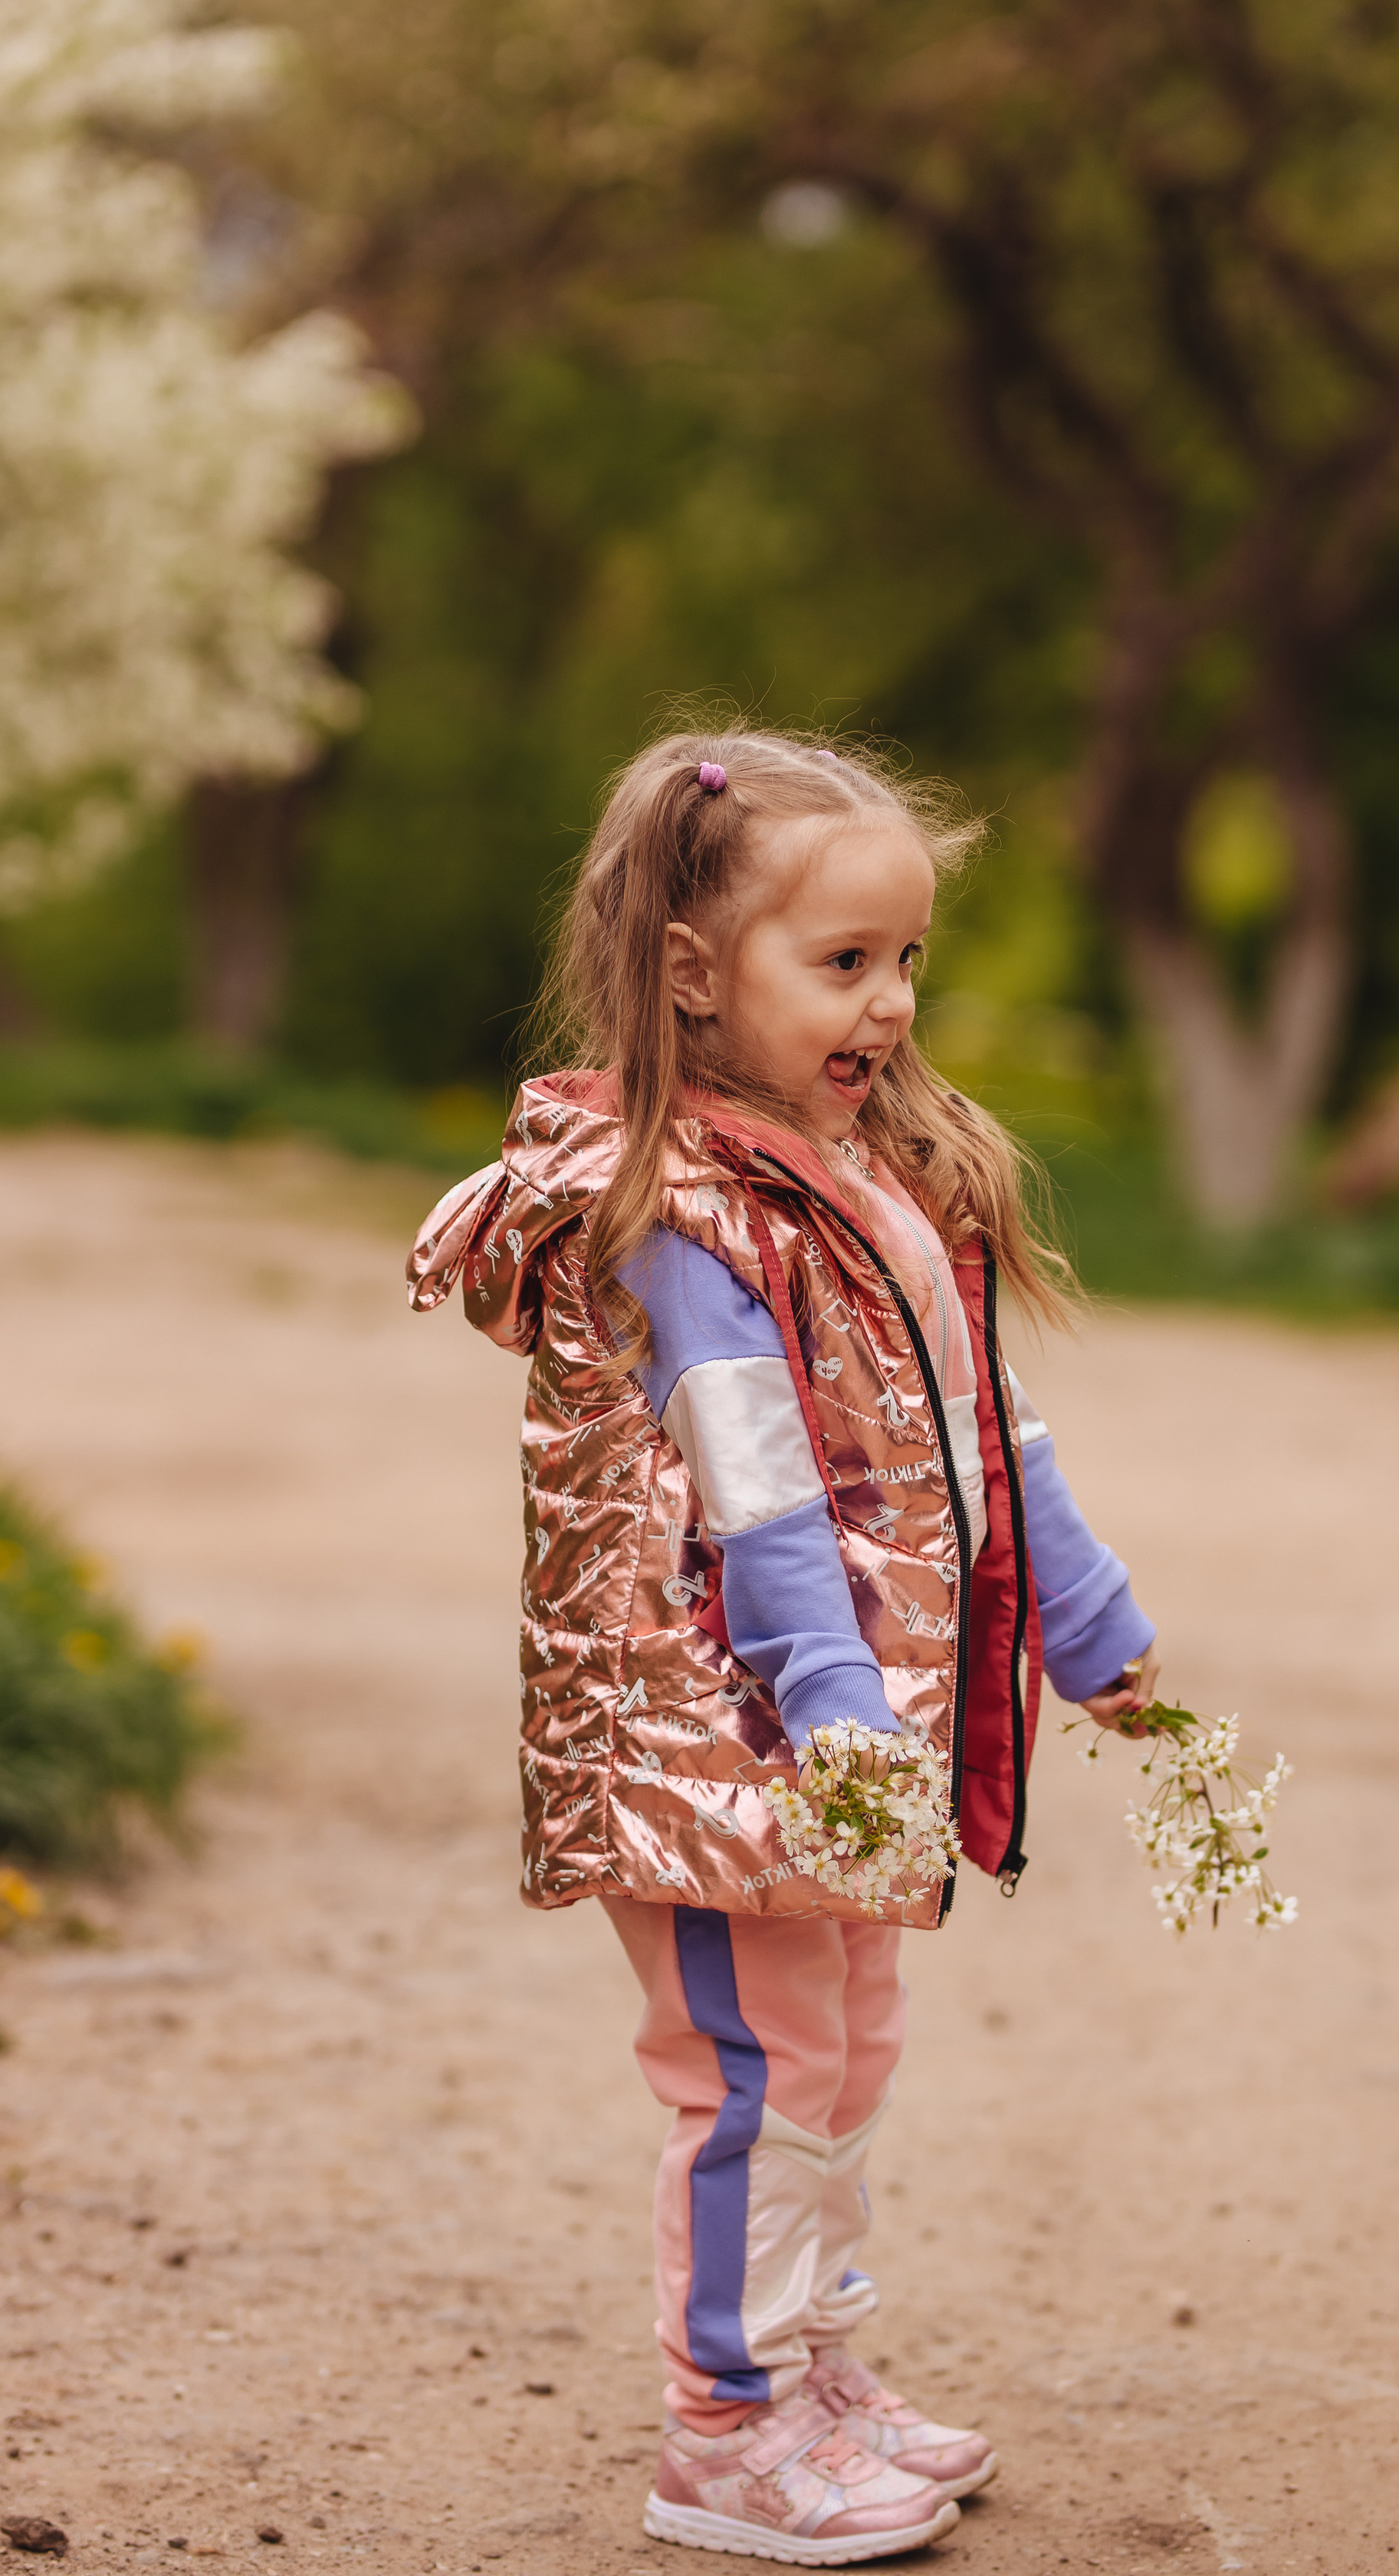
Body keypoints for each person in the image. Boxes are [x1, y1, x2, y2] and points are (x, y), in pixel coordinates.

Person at [409, 727, 1161, 2567]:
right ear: (688, 971)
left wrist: (1080, 1619)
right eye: (841, 963)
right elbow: (751, 1492)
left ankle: (817, 2371)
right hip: (719, 1736)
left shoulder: (858, 1177)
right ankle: (721, 2437)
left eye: (906, 960)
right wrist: (834, 1707)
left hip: (824, 1737)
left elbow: (971, 1428)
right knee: (748, 2075)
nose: (890, 1003)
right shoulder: (677, 1218)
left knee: (845, 2048)